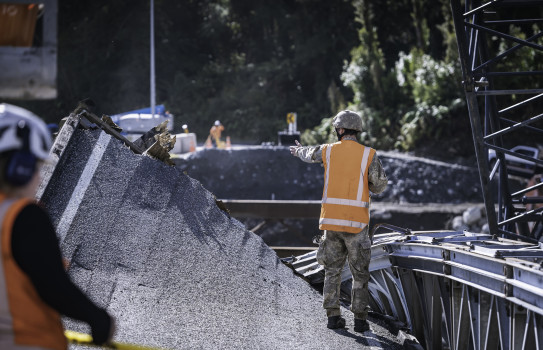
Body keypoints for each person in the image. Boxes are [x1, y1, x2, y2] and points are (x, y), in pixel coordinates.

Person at [0, 103, 114, 350]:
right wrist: (98, 320)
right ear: (18, 167)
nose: (39, 177)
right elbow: (53, 286)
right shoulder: (21, 217)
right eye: (36, 167)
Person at [289, 110, 388, 332]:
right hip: (356, 226)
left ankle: (333, 317)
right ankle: (361, 322)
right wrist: (368, 187)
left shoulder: (328, 151)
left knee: (332, 271)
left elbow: (309, 153)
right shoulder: (368, 155)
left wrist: (297, 150)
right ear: (357, 130)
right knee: (359, 273)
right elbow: (380, 185)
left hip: (331, 224)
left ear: (340, 130)